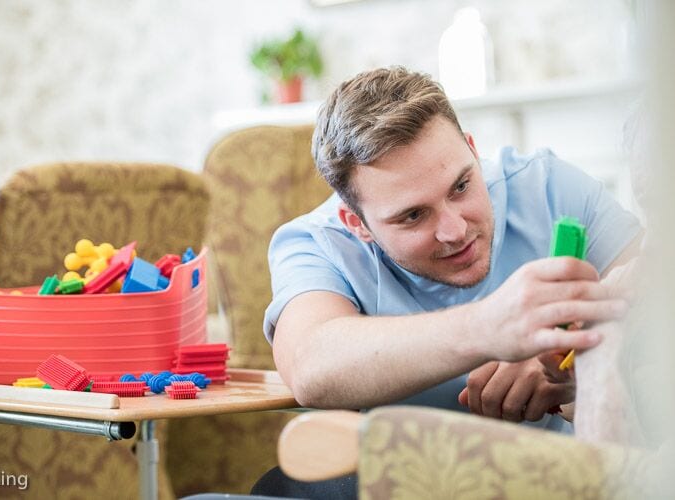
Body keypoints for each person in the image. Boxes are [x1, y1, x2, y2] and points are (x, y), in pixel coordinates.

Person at [252, 66, 641, 498]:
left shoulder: (550, 187)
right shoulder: (314, 243)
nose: (455, 230)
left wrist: (575, 366)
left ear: (473, 152)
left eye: (461, 186)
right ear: (355, 222)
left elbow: (654, 290)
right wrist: (493, 327)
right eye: (413, 215)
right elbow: (311, 365)